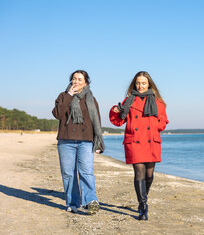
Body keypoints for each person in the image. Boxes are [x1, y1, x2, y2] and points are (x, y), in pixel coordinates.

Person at [109, 71, 169, 220]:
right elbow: (118, 121)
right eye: (138, 83)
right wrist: (115, 111)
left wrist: (154, 124)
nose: (140, 86)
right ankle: (143, 207)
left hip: (151, 140)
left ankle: (143, 198)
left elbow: (163, 123)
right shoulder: (128, 100)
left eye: (143, 83)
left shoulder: (158, 102)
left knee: (149, 175)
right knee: (139, 173)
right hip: (135, 140)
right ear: (134, 84)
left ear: (149, 84)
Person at [52, 70, 105, 214]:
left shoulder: (91, 99)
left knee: (86, 171)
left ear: (86, 82)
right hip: (66, 140)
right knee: (68, 173)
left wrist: (98, 142)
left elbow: (96, 122)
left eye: (80, 79)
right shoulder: (63, 96)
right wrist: (69, 95)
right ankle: (73, 203)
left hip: (85, 141)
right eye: (74, 79)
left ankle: (90, 201)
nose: (76, 82)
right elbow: (57, 114)